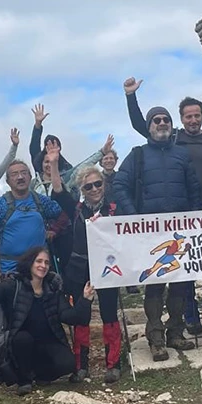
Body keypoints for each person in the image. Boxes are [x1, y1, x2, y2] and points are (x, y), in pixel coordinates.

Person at [113, 104, 202, 361]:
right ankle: (155, 337)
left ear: (171, 125)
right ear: (149, 127)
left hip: (179, 234)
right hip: (149, 234)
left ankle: (176, 332)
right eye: (156, 120)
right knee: (154, 286)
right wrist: (135, 216)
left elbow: (194, 189)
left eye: (166, 120)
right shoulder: (137, 155)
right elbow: (120, 185)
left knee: (180, 285)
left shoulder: (181, 155)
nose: (162, 123)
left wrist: (196, 219)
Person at [0, 248, 94, 396]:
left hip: (48, 342)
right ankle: (24, 380)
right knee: (22, 339)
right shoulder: (14, 285)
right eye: (39, 261)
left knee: (68, 363)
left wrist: (85, 300)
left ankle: (41, 375)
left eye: (46, 262)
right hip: (21, 343)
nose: (43, 266)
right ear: (29, 263)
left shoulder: (53, 289)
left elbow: (70, 317)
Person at [50, 162, 125, 383]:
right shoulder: (75, 209)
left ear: (103, 184)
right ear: (81, 191)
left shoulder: (114, 209)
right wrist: (54, 163)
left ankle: (113, 364)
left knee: (109, 314)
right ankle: (81, 365)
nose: (94, 189)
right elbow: (58, 190)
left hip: (108, 267)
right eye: (88, 187)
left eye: (97, 184)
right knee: (81, 317)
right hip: (79, 269)